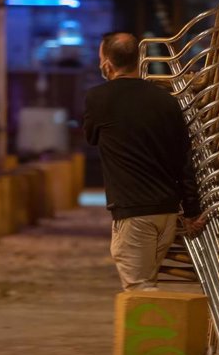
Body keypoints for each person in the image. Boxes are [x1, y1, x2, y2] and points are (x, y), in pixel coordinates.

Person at [83, 32, 205, 291]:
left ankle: (160, 333)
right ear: (138, 60)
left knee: (140, 292)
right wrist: (192, 210)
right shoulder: (166, 101)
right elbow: (183, 158)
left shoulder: (98, 98)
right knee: (147, 284)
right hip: (167, 214)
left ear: (107, 64)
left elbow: (91, 136)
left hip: (134, 212)